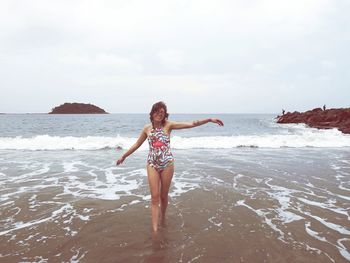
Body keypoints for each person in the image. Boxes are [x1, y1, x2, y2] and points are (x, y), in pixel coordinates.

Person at [116, 101, 224, 232]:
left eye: (162, 113)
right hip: (152, 164)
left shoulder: (169, 125)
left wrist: (209, 119)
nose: (159, 114)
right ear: (152, 113)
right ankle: (155, 230)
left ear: (164, 115)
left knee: (163, 196)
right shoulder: (147, 129)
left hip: (167, 164)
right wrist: (124, 156)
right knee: (155, 197)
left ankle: (163, 218)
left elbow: (191, 124)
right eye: (157, 111)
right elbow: (136, 144)